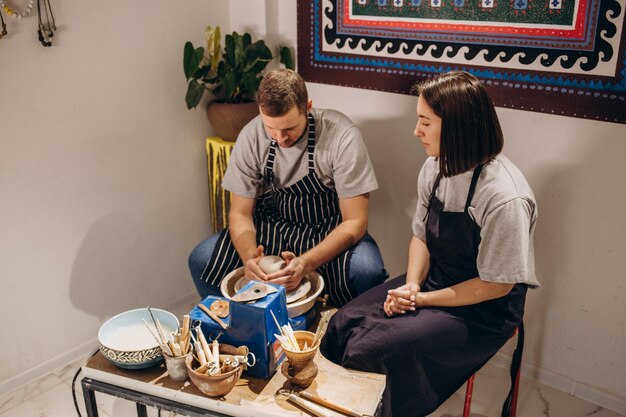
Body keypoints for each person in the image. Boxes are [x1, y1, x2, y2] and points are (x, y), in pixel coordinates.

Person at [321, 71, 540, 417]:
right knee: (342, 324)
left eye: (425, 122)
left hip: (485, 306)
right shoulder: (435, 168)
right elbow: (421, 235)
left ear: (456, 127)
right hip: (435, 279)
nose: (416, 131)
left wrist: (422, 299)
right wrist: (411, 285)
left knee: (373, 350)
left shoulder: (503, 196)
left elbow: (496, 285)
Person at [188, 69, 387, 307]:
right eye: (271, 128)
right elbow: (240, 213)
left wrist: (305, 263)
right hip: (275, 224)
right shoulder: (252, 135)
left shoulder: (342, 136)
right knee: (200, 260)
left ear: (308, 107)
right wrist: (250, 259)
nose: (280, 138)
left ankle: (341, 334)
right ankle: (240, 328)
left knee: (368, 272)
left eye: (289, 128)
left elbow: (355, 221)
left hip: (328, 227)